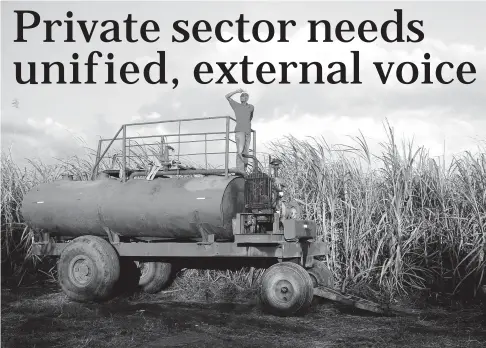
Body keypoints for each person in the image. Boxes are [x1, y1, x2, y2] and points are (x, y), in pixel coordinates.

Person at [225, 88, 255, 172]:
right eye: (241, 96)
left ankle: (244, 169)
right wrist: (236, 91)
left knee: (246, 152)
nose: (243, 97)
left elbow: (250, 117)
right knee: (240, 151)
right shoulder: (236, 105)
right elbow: (227, 96)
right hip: (239, 131)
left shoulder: (251, 107)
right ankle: (239, 169)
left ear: (247, 98)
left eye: (245, 96)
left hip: (248, 131)